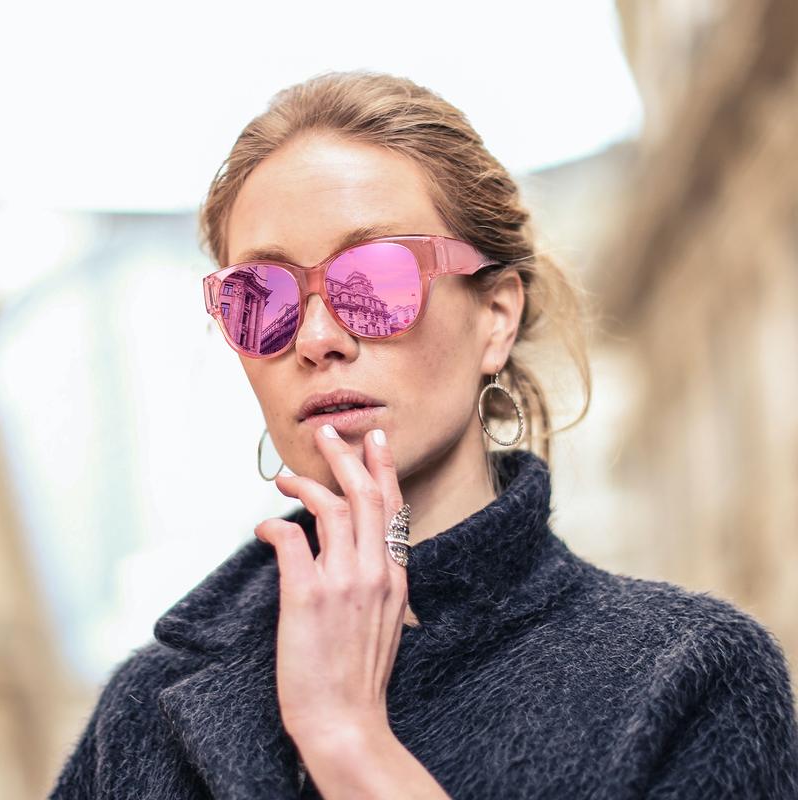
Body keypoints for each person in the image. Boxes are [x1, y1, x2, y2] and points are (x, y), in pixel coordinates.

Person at [49, 70, 798, 800]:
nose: (316, 338)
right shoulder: (146, 711)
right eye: (262, 299)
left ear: (495, 317)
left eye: (375, 280)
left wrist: (349, 743)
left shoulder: (688, 680)